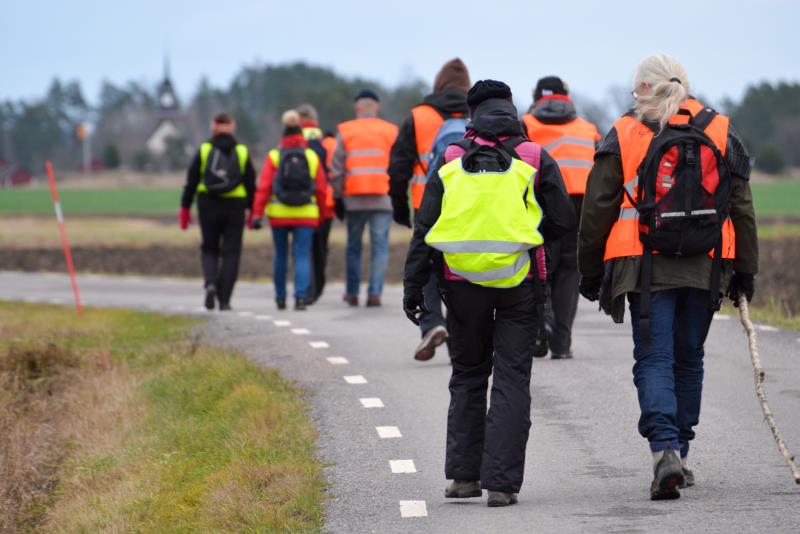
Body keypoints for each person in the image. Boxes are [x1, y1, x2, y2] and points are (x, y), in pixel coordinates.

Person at [577, 53, 758, 500]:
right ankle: (681, 450)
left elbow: (598, 206)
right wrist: (746, 272)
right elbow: (742, 207)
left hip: (643, 264)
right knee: (689, 358)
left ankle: (664, 452)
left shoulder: (624, 131)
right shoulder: (720, 127)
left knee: (654, 358)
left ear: (641, 89)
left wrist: (588, 269)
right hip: (708, 262)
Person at [403, 80, 576, 507]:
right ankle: (501, 484)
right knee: (513, 377)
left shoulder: (450, 157)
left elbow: (426, 228)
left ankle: (463, 479)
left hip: (461, 286)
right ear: (512, 110)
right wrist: (532, 238)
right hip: (519, 283)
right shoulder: (534, 156)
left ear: (471, 114)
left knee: (467, 376)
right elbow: (562, 219)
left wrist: (414, 286)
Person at [390, 58, 471, 361]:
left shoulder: (418, 116)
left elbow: (398, 167)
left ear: (438, 84)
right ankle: (460, 337)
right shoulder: (476, 111)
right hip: (466, 203)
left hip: (424, 200)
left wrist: (399, 208)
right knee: (461, 269)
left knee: (427, 268)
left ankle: (432, 323)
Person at [523, 76, 601, 359]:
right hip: (580, 206)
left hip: (539, 203)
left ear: (536, 96)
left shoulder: (526, 124)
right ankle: (562, 343)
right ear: (566, 96)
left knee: (537, 266)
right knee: (569, 271)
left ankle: (540, 326)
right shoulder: (588, 129)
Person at [251, 110, 330, 310]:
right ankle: (301, 296)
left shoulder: (274, 156)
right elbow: (321, 189)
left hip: (279, 214)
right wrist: (322, 212)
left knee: (280, 254)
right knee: (302, 255)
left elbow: (264, 187)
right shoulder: (311, 156)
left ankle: (280, 297)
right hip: (306, 214)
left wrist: (257, 213)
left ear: (283, 134)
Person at [180, 111, 255, 311]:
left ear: (213, 126)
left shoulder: (205, 150)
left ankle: (211, 283)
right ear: (232, 125)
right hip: (235, 205)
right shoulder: (242, 151)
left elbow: (191, 181)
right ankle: (225, 299)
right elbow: (250, 183)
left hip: (208, 204)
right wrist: (253, 210)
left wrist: (185, 208)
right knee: (232, 253)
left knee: (209, 248)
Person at [331, 90, 398, 307]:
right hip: (383, 198)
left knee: (354, 247)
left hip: (354, 198)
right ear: (376, 107)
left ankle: (352, 293)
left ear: (357, 108)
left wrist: (337, 196)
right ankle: (374, 293)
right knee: (380, 247)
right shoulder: (391, 131)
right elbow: (399, 164)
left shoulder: (346, 130)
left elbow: (337, 167)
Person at [297, 104, 335, 303]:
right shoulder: (327, 142)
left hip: (299, 203)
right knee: (320, 248)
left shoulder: (294, 141)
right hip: (324, 203)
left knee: (303, 248)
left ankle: (305, 288)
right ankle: (317, 287)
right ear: (315, 121)